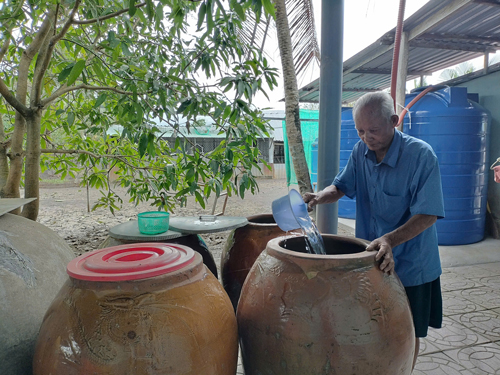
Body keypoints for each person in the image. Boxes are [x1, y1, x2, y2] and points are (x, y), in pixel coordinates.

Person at [303, 91, 445, 370]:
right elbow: (342, 185)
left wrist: (390, 239)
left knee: (407, 330)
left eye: (373, 130)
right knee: (372, 325)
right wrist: (320, 196)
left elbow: (428, 214)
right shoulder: (361, 152)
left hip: (412, 263)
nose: (366, 137)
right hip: (371, 259)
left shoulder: (421, 156)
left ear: (394, 121)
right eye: (360, 131)